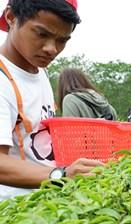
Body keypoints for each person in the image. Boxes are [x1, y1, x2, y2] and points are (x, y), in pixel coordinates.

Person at [0, 0, 103, 201]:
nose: (52, 49)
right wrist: (60, 175)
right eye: (42, 34)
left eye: (62, 40)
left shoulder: (39, 71)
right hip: (12, 210)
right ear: (11, 17)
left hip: (44, 200)